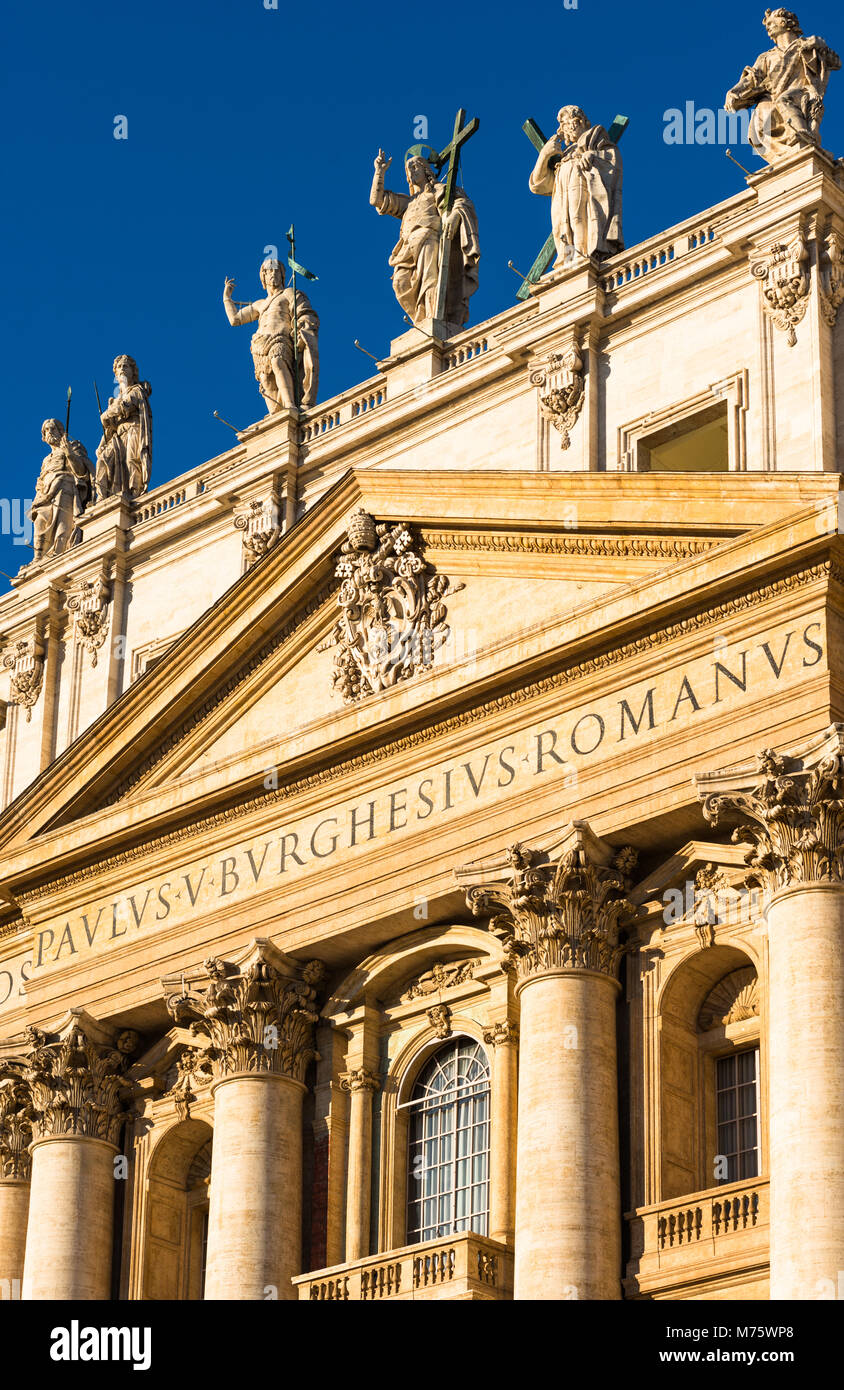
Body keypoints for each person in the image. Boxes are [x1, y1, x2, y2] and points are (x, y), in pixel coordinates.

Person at [370, 150, 480, 328]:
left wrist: (453, 216)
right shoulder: (408, 202)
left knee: (430, 281)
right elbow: (377, 200)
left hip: (429, 238)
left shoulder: (438, 190)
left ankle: (432, 319)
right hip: (406, 249)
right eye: (408, 169)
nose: (411, 172)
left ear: (426, 170)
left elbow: (461, 202)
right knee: (400, 283)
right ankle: (421, 321)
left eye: (414, 167)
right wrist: (379, 172)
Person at [725, 8, 841, 164]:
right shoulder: (767, 57)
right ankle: (786, 155)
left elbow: (836, 63)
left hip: (803, 93)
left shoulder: (806, 46)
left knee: (783, 99)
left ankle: (802, 134)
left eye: (772, 22)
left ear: (785, 22)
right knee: (761, 116)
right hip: (774, 96)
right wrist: (734, 93)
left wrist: (820, 46)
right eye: (767, 26)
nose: (768, 28)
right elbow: (753, 78)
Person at [529, 105, 623, 264]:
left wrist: (592, 155)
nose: (561, 130)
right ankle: (568, 261)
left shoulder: (595, 138)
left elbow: (612, 158)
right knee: (562, 226)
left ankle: (580, 257)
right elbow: (537, 184)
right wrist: (544, 155)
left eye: (565, 124)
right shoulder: (563, 155)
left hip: (582, 182)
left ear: (578, 121)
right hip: (562, 193)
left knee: (578, 218)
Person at [223, 258, 319, 412]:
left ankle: (289, 406)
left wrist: (303, 326)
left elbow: (305, 312)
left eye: (276, 270)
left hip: (280, 337)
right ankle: (276, 413)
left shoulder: (289, 293)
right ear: (264, 277)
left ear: (282, 275)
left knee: (278, 362)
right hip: (260, 344)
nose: (272, 274)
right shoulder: (260, 304)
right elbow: (235, 320)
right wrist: (227, 298)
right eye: (268, 271)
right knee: (266, 378)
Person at [30, 419, 93, 561]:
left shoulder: (74, 447)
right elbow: (41, 480)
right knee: (40, 522)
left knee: (63, 526)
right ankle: (38, 559)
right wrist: (40, 491)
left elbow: (82, 472)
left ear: (61, 431)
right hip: (45, 494)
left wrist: (69, 453)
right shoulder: (46, 460)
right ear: (44, 436)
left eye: (53, 428)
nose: (50, 432)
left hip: (65, 489)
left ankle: (59, 555)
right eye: (46, 430)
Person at [95, 354, 152, 498]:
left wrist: (107, 414)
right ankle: (102, 497)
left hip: (133, 428)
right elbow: (110, 428)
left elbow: (126, 405)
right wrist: (102, 444)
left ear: (133, 371)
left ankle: (134, 492)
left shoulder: (137, 390)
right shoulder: (115, 399)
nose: (121, 369)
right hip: (118, 435)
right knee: (103, 459)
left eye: (125, 366)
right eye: (119, 367)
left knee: (131, 460)